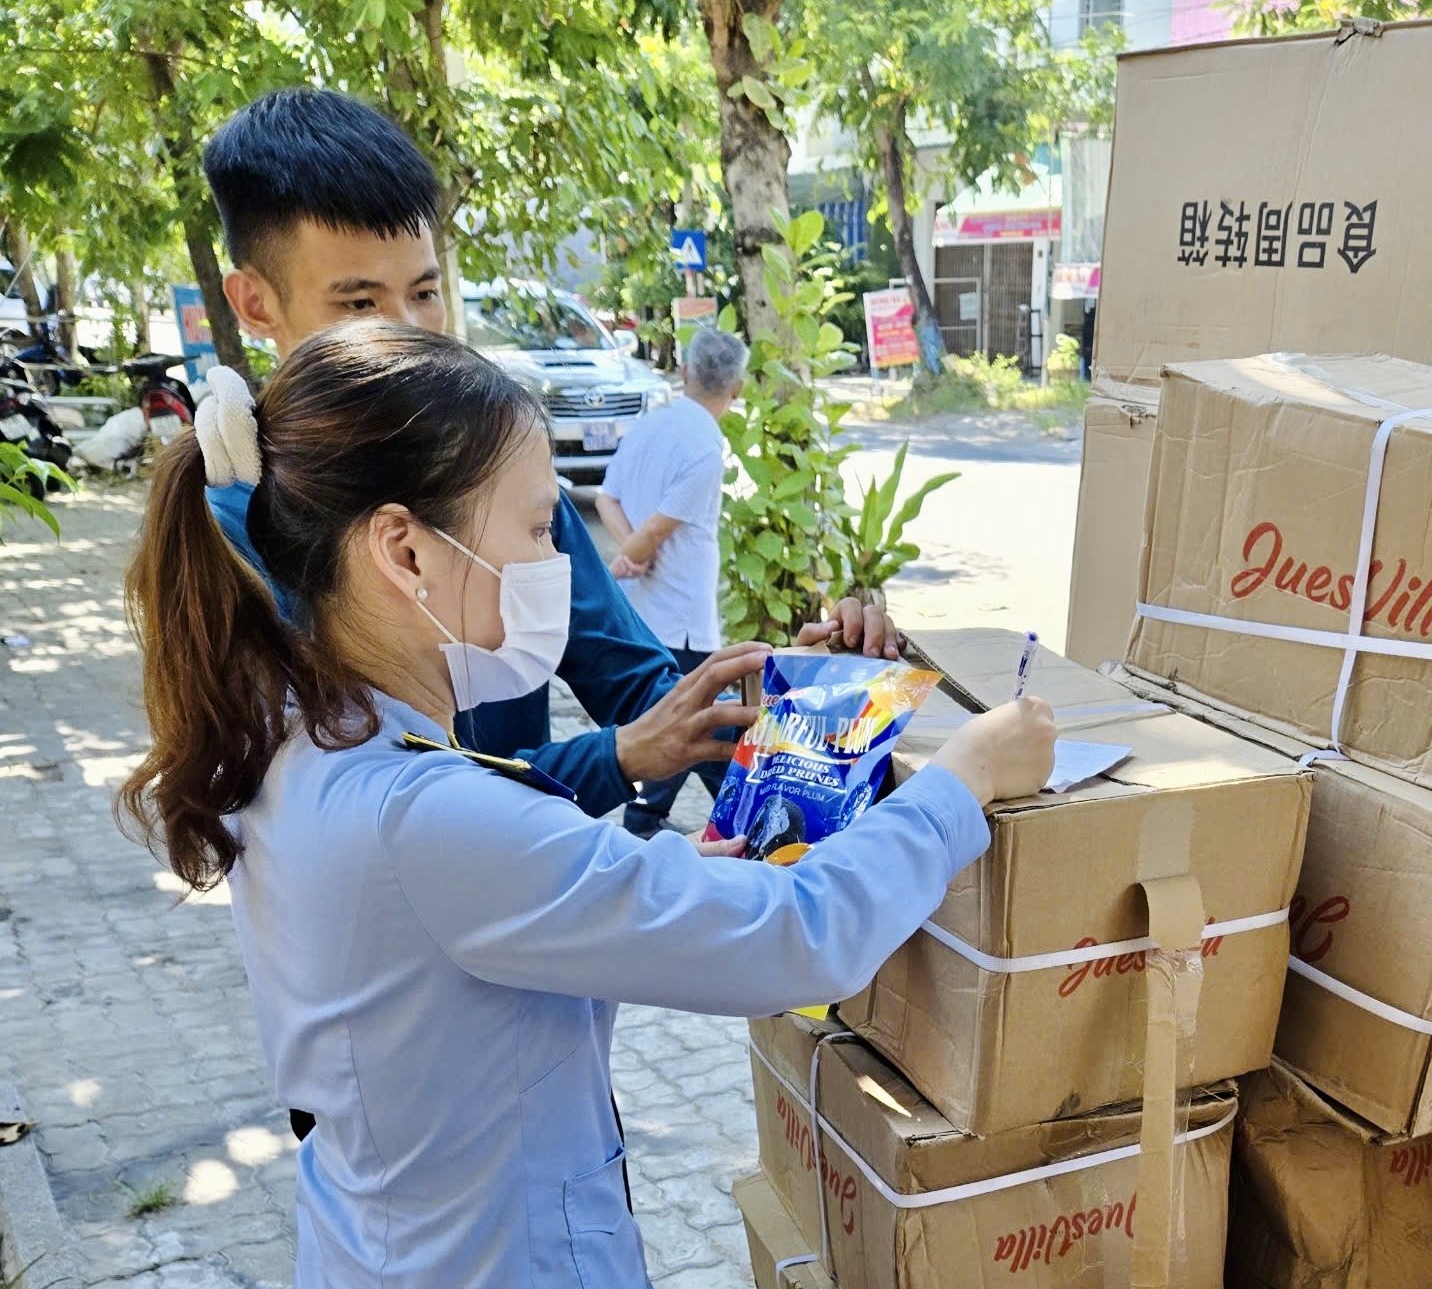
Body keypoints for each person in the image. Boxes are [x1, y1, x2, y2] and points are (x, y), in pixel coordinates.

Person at [117, 321, 1057, 1286]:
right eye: (533, 530)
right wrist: (964, 780)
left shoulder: (299, 736)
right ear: (404, 552)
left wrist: (817, 718)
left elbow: (536, 897)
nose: (552, 562)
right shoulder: (424, 816)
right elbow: (796, 939)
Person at [196, 88, 898, 828]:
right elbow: (370, 802)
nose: (411, 333)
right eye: (360, 305)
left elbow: (644, 689)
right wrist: (617, 758)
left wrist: (819, 717)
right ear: (253, 302)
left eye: (426, 291)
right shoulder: (233, 525)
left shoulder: (505, 480)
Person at [595, 325, 743, 837]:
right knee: (702, 728)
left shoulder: (650, 425)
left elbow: (605, 499)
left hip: (644, 611)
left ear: (683, 373)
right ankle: (749, 814)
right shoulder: (706, 445)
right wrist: (631, 556)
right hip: (680, 616)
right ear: (737, 388)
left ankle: (649, 818)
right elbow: (658, 529)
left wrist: (628, 553)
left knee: (683, 722)